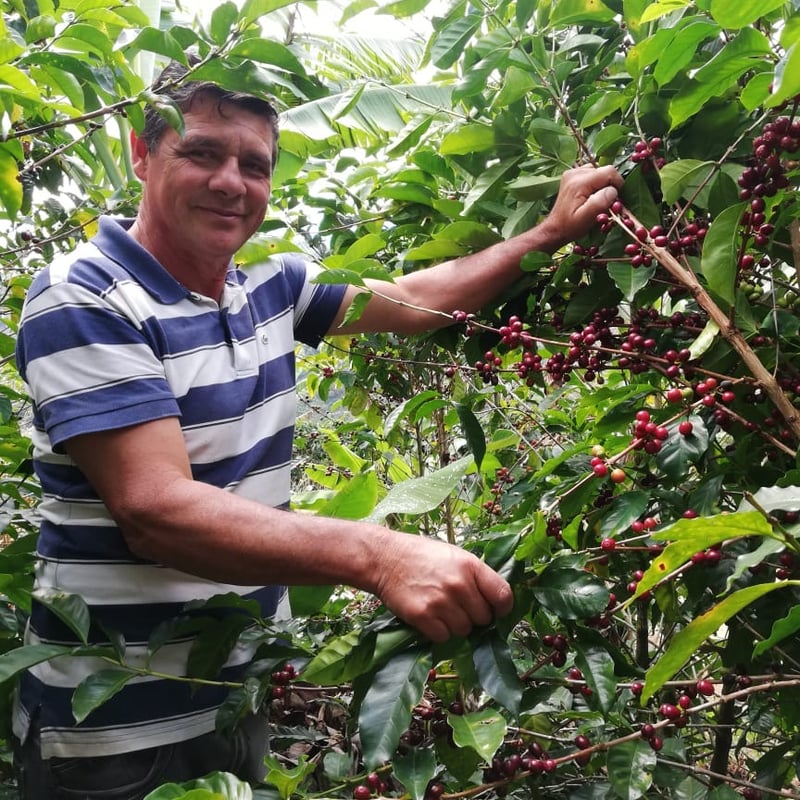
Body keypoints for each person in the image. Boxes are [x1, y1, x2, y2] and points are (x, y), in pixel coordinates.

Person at [12, 57, 622, 798]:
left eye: (254, 165)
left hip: (237, 691)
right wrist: (381, 556)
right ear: (143, 154)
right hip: (115, 732)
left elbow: (411, 299)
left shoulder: (269, 282)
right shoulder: (84, 295)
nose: (231, 182)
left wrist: (545, 235)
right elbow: (156, 511)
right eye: (201, 153)